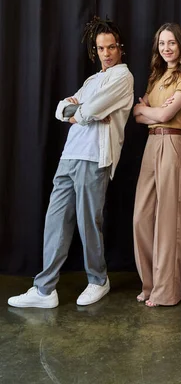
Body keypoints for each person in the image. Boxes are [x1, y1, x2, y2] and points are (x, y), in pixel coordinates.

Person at [8, 17, 134, 308]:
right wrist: (78, 111)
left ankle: (98, 280)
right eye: (101, 48)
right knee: (56, 221)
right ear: (96, 49)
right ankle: (44, 290)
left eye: (111, 47)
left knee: (89, 221)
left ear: (120, 48)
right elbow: (62, 109)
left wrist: (79, 111)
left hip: (95, 158)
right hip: (69, 156)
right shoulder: (91, 80)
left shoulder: (123, 77)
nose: (106, 53)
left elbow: (87, 110)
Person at [133, 23, 181, 307]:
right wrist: (150, 112)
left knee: (169, 222)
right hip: (151, 145)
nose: (166, 48)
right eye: (162, 43)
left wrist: (149, 111)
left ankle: (167, 291)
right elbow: (137, 115)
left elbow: (168, 113)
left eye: (172, 42)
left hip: (173, 144)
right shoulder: (156, 76)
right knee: (142, 218)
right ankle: (150, 285)